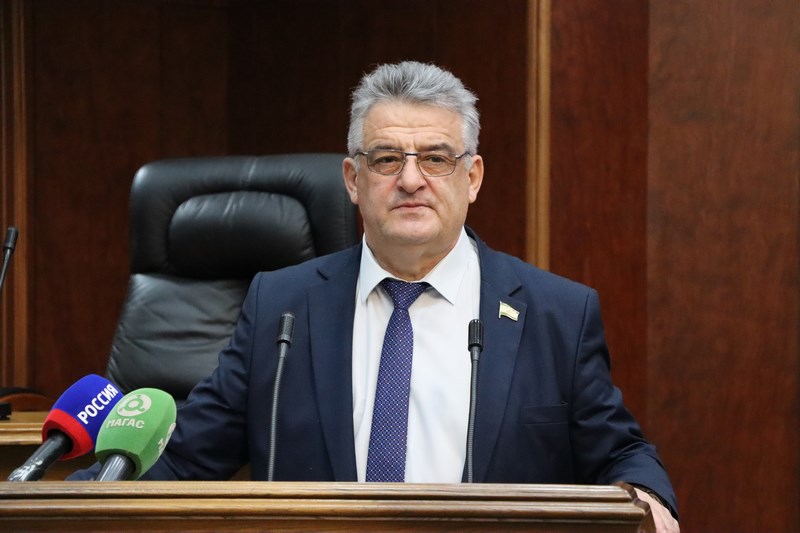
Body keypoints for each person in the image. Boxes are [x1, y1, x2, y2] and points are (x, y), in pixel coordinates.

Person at [71, 61, 679, 532]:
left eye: (436, 158)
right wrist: (75, 503)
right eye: (387, 159)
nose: (411, 179)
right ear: (353, 180)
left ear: (472, 178)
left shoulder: (556, 314)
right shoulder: (282, 308)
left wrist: (646, 496)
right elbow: (185, 456)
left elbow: (621, 454)